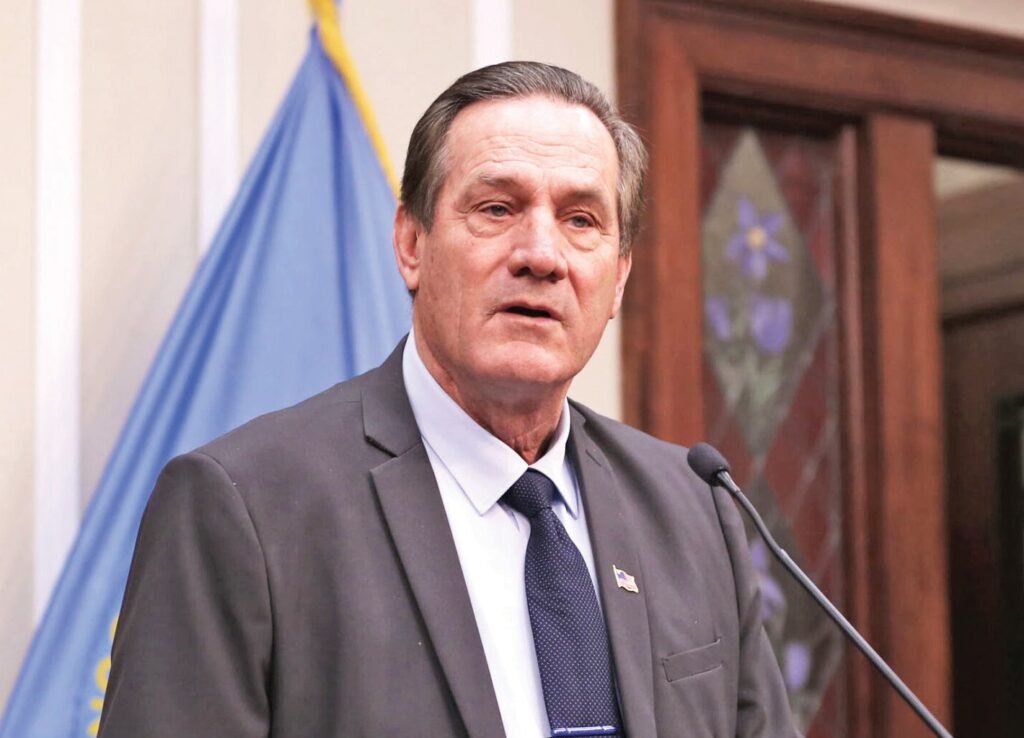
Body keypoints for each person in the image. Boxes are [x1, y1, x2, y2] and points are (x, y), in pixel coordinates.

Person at [99, 62, 800, 737]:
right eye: (497, 208)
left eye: (581, 220)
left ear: (617, 278)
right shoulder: (245, 507)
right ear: (411, 243)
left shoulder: (695, 508)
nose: (542, 255)